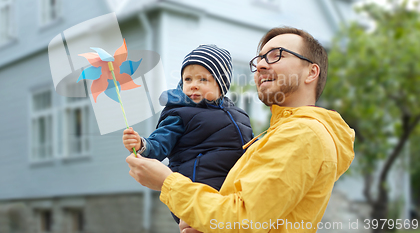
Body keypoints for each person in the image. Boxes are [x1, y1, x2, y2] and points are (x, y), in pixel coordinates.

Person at [126, 27, 355, 233]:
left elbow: (244, 220)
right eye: (259, 60)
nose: (262, 65)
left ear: (311, 72)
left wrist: (167, 182)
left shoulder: (301, 134)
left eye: (277, 55)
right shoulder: (278, 132)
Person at [123, 44, 253, 223]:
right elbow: (159, 143)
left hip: (233, 192)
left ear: (221, 85)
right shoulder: (180, 113)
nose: (193, 85)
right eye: (188, 79)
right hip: (195, 189)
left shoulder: (238, 113)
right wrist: (142, 144)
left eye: (202, 80)